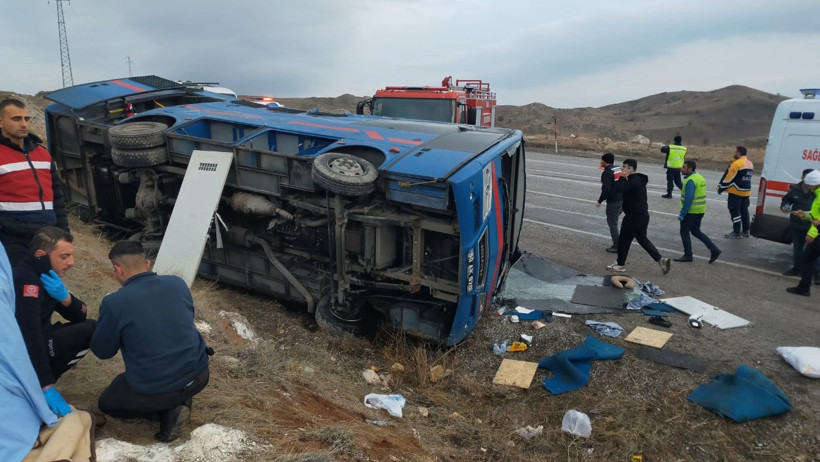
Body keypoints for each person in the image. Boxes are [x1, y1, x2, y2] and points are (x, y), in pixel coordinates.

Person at [91, 240, 210, 442]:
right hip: (199, 375)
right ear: (147, 264)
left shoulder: (114, 303)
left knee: (107, 402)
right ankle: (179, 399)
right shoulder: (177, 283)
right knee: (124, 381)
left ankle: (168, 412)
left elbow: (103, 351)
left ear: (118, 269)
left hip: (157, 389)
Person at [13, 226, 95, 417]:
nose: (71, 262)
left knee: (90, 326)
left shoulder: (44, 275)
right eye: (64, 257)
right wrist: (46, 384)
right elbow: (29, 336)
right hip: (22, 351)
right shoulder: (27, 282)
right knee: (91, 329)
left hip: (38, 340)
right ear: (41, 255)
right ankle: (35, 391)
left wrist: (64, 297)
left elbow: (80, 315)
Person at [0, 99, 70, 267]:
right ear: (1, 121)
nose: (24, 124)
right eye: (16, 119)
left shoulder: (42, 153)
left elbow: (57, 197)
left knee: (48, 287)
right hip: (13, 241)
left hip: (48, 237)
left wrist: (64, 233)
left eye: (26, 118)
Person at [606, 158, 671, 274]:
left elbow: (618, 189)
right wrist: (624, 206)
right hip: (642, 215)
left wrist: (621, 177)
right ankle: (661, 260)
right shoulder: (637, 180)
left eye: (624, 167)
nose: (622, 169)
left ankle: (620, 264)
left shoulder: (632, 181)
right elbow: (632, 196)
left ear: (630, 168)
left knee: (623, 240)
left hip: (634, 216)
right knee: (642, 238)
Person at [674, 160, 722, 263]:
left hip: (691, 211)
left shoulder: (691, 180)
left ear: (690, 169)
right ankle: (714, 249)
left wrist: (682, 214)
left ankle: (688, 255)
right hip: (700, 210)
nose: (681, 169)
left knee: (684, 232)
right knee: (696, 231)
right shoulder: (699, 177)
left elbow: (689, 198)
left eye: (684, 167)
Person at [780, 169, 820, 279]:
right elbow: (786, 200)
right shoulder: (795, 190)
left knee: (813, 252)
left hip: (812, 227)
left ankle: (817, 274)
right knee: (797, 249)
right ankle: (797, 269)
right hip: (797, 224)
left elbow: (817, 215)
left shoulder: (816, 192)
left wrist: (812, 232)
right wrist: (785, 207)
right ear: (802, 178)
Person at [717, 146, 754, 238]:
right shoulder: (750, 163)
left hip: (736, 191)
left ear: (739, 153)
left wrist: (721, 188)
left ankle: (736, 231)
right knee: (744, 211)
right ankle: (746, 230)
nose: (735, 153)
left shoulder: (737, 163)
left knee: (734, 210)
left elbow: (729, 177)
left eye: (736, 152)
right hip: (746, 192)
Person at [596, 152, 622, 253]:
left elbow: (606, 190)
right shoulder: (617, 169)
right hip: (623, 199)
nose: (600, 161)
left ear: (605, 161)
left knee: (612, 223)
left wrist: (599, 201)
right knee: (615, 220)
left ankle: (617, 245)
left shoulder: (607, 172)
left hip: (614, 201)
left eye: (601, 160)